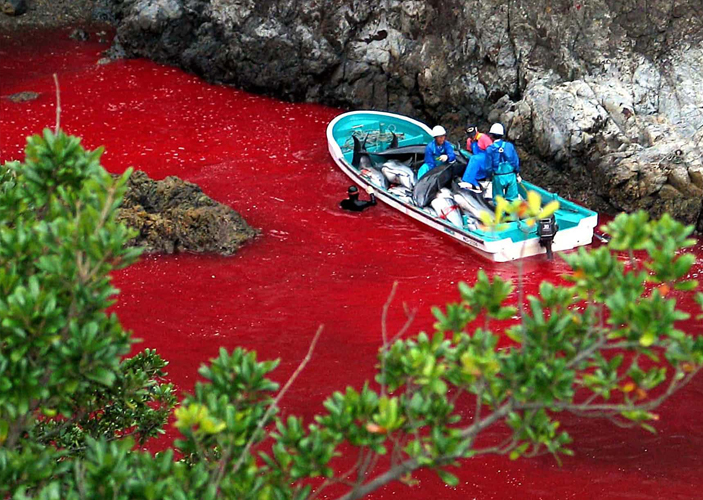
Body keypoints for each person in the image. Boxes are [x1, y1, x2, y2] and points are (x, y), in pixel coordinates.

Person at [485, 123, 521, 201]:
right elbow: (515, 161)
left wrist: (488, 177)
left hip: (498, 177)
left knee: (498, 200)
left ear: (491, 135)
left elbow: (488, 167)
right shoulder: (509, 146)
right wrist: (517, 174)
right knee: (513, 199)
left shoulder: (490, 149)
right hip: (511, 176)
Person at [461, 124, 493, 191]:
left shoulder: (484, 138)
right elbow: (470, 152)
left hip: (486, 161)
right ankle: (475, 185)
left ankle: (467, 181)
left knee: (474, 158)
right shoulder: (469, 141)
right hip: (477, 163)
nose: (473, 136)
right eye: (470, 135)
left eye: (473, 134)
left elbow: (492, 152)